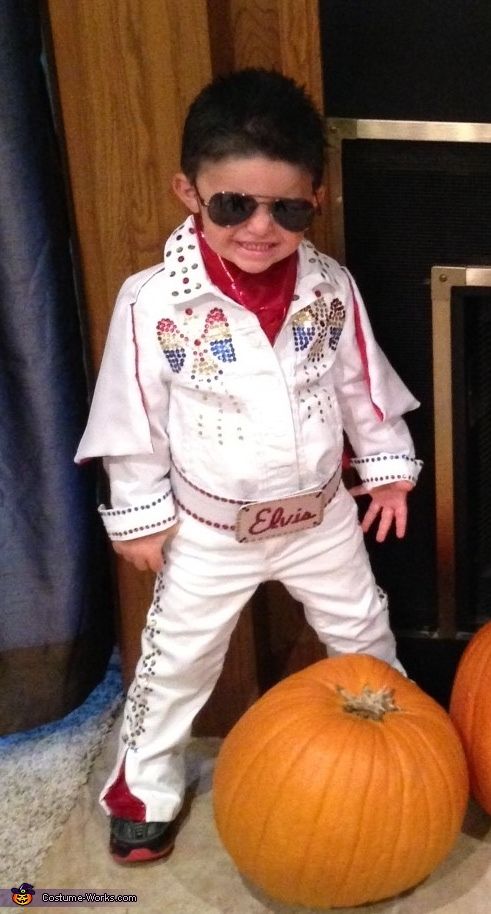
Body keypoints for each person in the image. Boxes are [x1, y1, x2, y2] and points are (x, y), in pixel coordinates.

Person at [75, 68, 423, 864]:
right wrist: (140, 515)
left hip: (321, 517)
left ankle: (407, 753)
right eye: (234, 204)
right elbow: (132, 420)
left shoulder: (330, 288)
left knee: (361, 630)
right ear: (189, 192)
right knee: (177, 658)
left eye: (287, 208)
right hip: (207, 530)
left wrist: (386, 467)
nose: (260, 227)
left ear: (316, 201)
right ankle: (146, 784)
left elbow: (361, 386)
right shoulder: (153, 301)